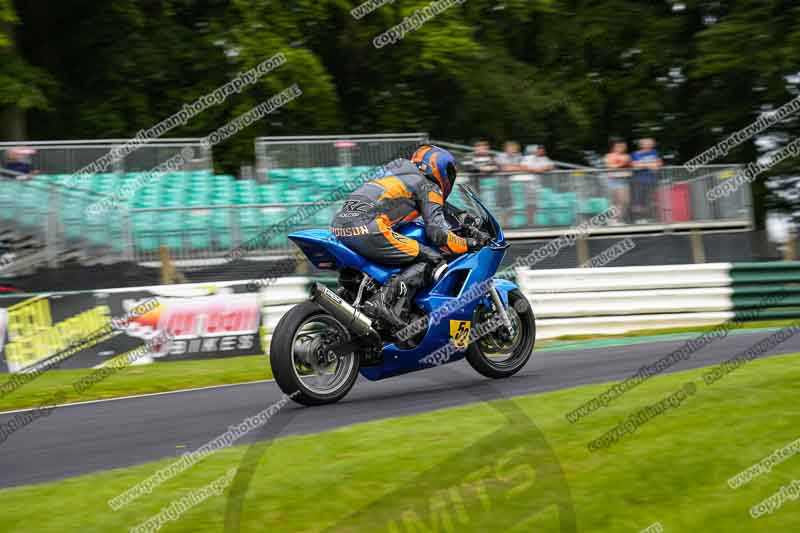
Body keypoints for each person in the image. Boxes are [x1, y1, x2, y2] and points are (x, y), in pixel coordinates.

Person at [330, 145, 490, 327]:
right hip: (369, 227)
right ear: (440, 169)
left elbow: (440, 211)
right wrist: (470, 243)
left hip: (340, 225)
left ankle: (358, 302)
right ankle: (384, 301)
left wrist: (462, 218)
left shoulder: (397, 172)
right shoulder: (428, 185)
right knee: (433, 259)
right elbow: (438, 235)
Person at [630, 138, 663, 222]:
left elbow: (657, 166)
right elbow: (635, 166)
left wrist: (642, 165)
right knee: (638, 201)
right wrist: (649, 165)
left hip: (652, 180)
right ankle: (638, 218)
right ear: (641, 145)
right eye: (647, 144)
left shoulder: (654, 152)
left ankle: (648, 217)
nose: (649, 145)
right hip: (638, 181)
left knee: (650, 201)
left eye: (651, 144)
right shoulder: (635, 154)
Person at [604, 138, 632, 224]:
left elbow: (631, 166)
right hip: (613, 181)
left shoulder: (627, 156)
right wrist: (622, 164)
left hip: (624, 181)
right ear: (614, 147)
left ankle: (619, 219)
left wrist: (621, 164)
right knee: (614, 201)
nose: (622, 148)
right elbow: (610, 166)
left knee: (625, 201)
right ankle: (613, 220)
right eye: (619, 146)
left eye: (623, 146)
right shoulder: (609, 156)